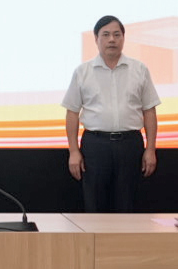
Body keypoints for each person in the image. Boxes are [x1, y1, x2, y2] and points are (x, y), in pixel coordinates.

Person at [62, 15, 160, 212]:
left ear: (123, 38)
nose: (112, 40)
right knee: (95, 204)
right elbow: (72, 112)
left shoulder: (139, 69)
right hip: (95, 145)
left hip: (130, 145)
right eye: (105, 35)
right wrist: (73, 151)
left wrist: (150, 149)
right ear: (96, 39)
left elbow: (149, 110)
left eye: (117, 34)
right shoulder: (83, 72)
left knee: (127, 205)